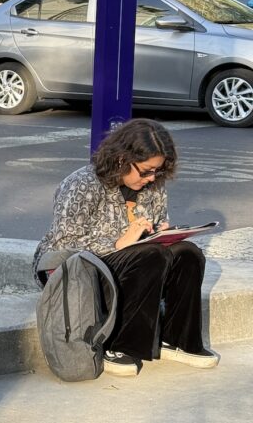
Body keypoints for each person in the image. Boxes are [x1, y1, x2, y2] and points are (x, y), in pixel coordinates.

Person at [33, 118, 218, 377]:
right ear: (121, 159)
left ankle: (177, 339)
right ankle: (118, 344)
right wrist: (119, 243)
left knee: (188, 253)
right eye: (146, 171)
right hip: (77, 269)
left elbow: (149, 232)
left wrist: (162, 232)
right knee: (150, 255)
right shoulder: (81, 183)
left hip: (135, 260)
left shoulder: (154, 186)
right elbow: (63, 245)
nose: (152, 178)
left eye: (158, 171)